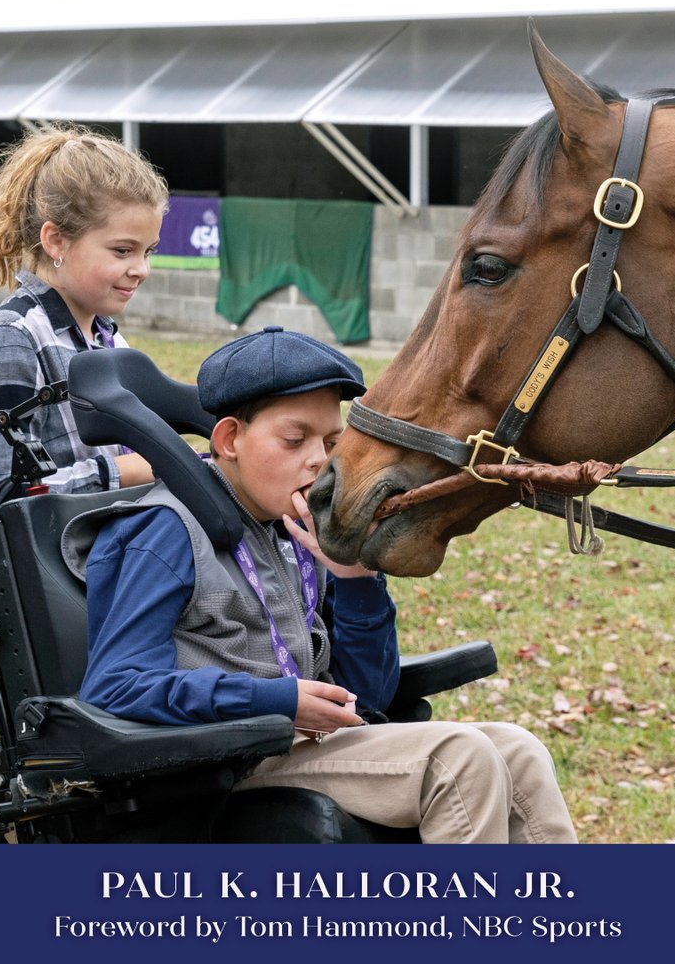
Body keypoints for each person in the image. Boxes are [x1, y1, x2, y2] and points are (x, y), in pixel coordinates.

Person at [63, 326, 577, 844]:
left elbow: (368, 695)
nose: (318, 459)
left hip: (307, 745)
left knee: (518, 750)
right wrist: (274, 700)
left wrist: (357, 582)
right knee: (460, 761)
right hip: (223, 764)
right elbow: (117, 686)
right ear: (229, 440)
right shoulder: (165, 533)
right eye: (294, 439)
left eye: (333, 442)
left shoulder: (288, 531)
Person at [0, 124, 168, 516]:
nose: (141, 269)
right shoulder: (13, 338)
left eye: (148, 251)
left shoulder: (108, 341)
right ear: (55, 240)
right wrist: (124, 472)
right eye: (123, 250)